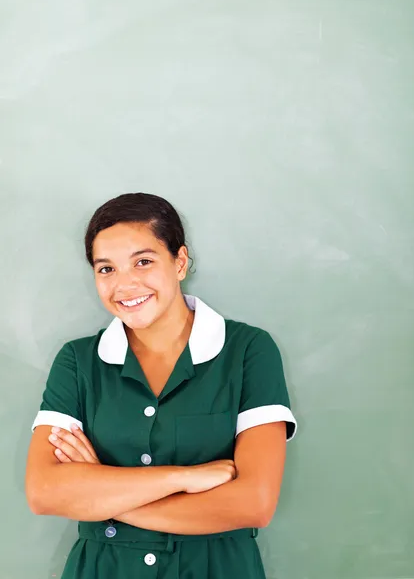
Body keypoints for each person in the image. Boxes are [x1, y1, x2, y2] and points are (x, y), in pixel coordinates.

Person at [25, 192, 297, 579]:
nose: (124, 284)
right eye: (106, 269)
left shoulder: (248, 350)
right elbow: (44, 491)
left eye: (144, 262)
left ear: (180, 261)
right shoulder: (77, 362)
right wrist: (183, 477)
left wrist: (104, 495)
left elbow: (254, 503)